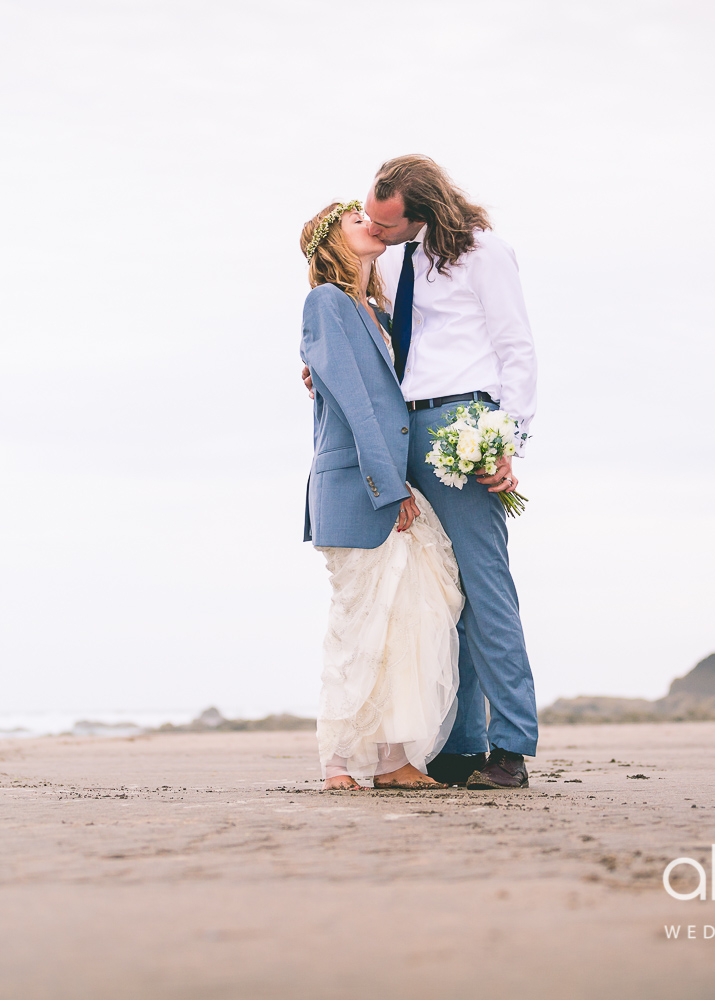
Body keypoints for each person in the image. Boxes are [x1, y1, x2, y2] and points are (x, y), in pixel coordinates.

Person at [301, 156, 539, 790]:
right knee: (436, 597)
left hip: (460, 423)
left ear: (420, 208)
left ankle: (510, 745)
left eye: (385, 221)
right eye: (367, 221)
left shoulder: (483, 252)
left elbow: (516, 346)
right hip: (403, 433)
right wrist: (319, 374)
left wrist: (506, 437)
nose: (377, 231)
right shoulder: (400, 267)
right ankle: (458, 749)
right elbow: (375, 362)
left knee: (484, 584)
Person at [299, 200, 465, 791]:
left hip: (390, 485)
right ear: (330, 243)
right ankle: (339, 761)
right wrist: (389, 487)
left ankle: (392, 759)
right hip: (358, 489)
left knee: (411, 617)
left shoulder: (371, 310)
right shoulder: (326, 303)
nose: (371, 222)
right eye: (354, 220)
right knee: (359, 626)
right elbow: (356, 403)